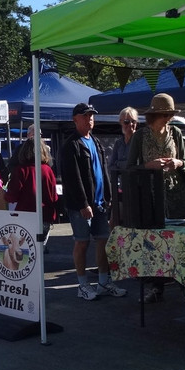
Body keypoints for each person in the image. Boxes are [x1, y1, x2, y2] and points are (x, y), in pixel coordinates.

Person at [60, 102, 127, 301]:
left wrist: (109, 197)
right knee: (82, 243)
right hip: (81, 205)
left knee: (103, 241)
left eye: (92, 116)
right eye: (86, 115)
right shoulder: (71, 145)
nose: (90, 119)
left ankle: (104, 282)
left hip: (99, 202)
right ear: (75, 119)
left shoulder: (95, 141)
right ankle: (82, 285)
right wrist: (83, 204)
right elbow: (72, 179)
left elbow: (103, 171)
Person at [125, 93, 185, 302]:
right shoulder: (140, 136)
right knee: (154, 243)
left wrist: (177, 163)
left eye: (170, 114)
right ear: (155, 115)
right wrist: (148, 166)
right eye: (165, 114)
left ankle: (182, 284)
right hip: (150, 196)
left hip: (174, 194)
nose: (168, 118)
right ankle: (155, 286)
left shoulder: (176, 132)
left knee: (177, 240)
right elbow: (129, 168)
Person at [5, 140, 59, 247]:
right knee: (39, 249)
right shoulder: (48, 170)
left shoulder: (21, 170)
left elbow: (12, 195)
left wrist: (5, 196)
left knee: (25, 250)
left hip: (25, 215)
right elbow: (54, 195)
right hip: (46, 215)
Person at [108, 106, 138, 226]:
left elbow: (136, 164)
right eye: (126, 122)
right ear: (121, 123)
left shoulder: (139, 140)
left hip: (137, 189)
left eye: (133, 121)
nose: (130, 124)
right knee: (113, 222)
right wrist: (125, 164)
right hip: (121, 189)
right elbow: (111, 166)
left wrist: (120, 164)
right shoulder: (118, 143)